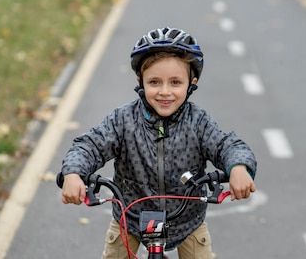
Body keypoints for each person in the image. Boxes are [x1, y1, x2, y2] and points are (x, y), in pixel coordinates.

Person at [60, 27, 257, 259]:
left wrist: (238, 168)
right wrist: (73, 173)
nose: (165, 92)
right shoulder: (123, 120)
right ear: (140, 81)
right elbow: (89, 146)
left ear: (191, 82)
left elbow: (228, 145)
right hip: (130, 217)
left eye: (175, 82)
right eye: (154, 82)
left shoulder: (198, 122)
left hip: (186, 222)